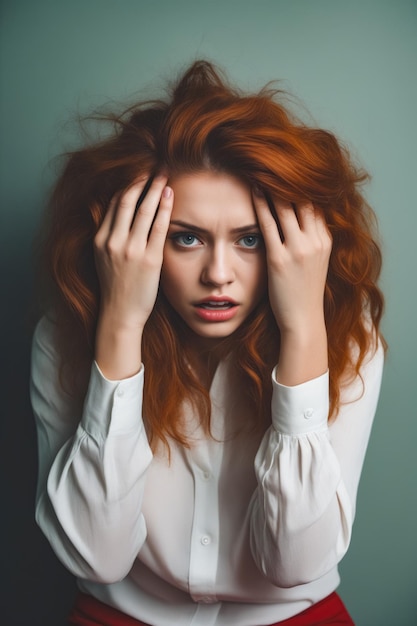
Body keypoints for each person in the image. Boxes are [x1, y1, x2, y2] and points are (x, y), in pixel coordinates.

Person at [30, 60, 385, 626]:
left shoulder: (345, 333)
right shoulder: (68, 331)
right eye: (186, 238)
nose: (218, 273)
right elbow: (95, 557)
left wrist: (302, 332)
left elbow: (297, 561)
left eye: (248, 239)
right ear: (131, 238)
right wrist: (120, 325)